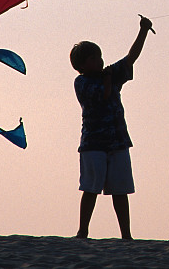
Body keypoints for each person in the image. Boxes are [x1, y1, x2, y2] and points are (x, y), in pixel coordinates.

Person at [70, 15, 154, 240]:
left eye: (99, 57)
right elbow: (104, 95)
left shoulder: (109, 74)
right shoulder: (82, 82)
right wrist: (108, 78)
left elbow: (130, 58)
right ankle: (82, 231)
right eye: (93, 58)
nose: (99, 61)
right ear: (81, 65)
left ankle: (126, 234)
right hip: (93, 144)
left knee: (120, 190)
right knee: (90, 188)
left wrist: (143, 31)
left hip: (117, 141)